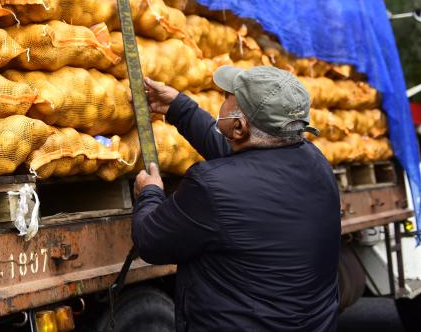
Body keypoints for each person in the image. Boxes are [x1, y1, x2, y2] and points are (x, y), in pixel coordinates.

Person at [132, 65, 340, 331]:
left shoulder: (210, 187)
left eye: (227, 97)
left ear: (240, 127)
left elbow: (150, 240)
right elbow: (242, 157)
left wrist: (149, 193)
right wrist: (179, 107)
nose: (222, 100)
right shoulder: (317, 163)